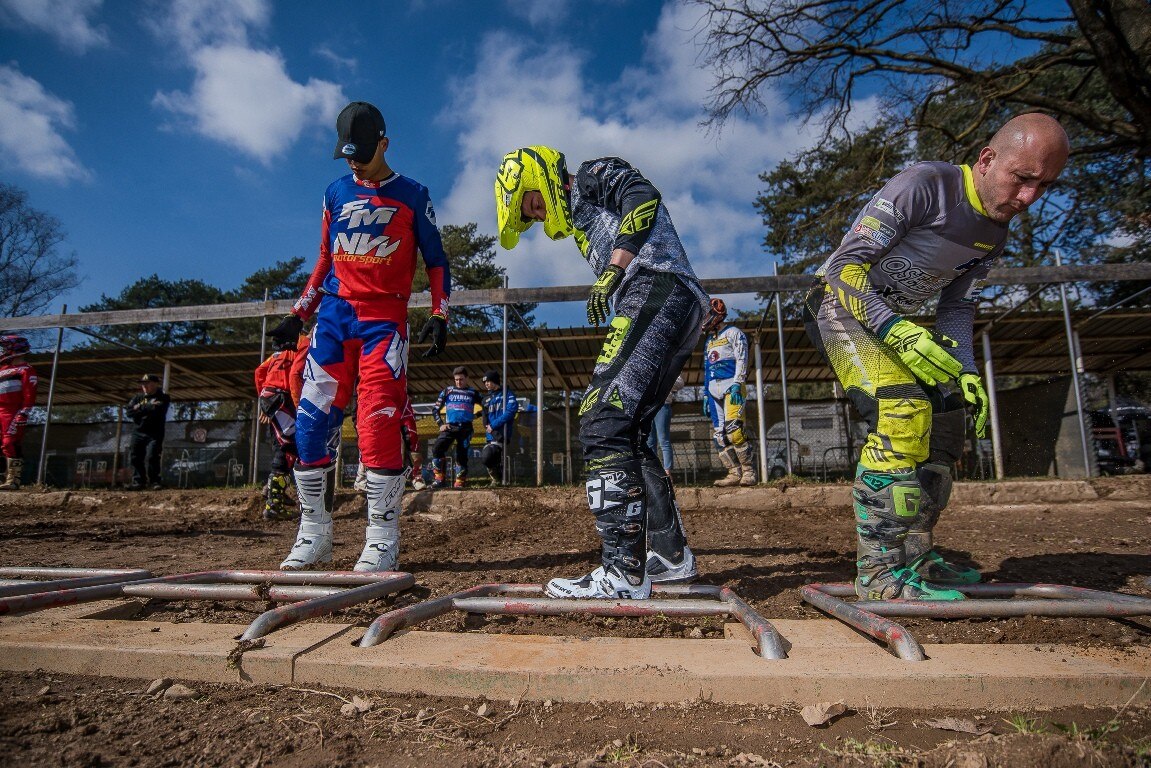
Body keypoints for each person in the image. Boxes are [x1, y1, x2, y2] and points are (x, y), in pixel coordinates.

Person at [803, 113, 1070, 600]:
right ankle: (879, 575)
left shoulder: (996, 233)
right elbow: (843, 267)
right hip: (837, 307)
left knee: (947, 420)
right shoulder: (925, 184)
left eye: (1045, 186)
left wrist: (966, 371)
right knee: (903, 412)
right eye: (1022, 178)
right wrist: (894, 328)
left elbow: (957, 307)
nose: (1029, 197)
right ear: (987, 159)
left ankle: (916, 558)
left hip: (891, 322)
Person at [495, 146, 705, 599]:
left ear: (542, 179)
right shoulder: (578, 222)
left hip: (657, 287)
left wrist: (613, 270)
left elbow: (643, 196)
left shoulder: (591, 175)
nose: (539, 217)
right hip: (669, 299)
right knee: (627, 432)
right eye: (531, 216)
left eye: (534, 203)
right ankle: (670, 556)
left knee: (601, 418)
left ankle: (623, 572)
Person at [268, 100, 450, 571]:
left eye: (363, 155)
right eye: (347, 155)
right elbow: (324, 258)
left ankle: (382, 540)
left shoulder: (413, 194)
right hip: (332, 319)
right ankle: (314, 536)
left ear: (384, 145)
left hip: (384, 323)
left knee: (376, 423)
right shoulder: (334, 192)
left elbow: (436, 260)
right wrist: (298, 314)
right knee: (310, 422)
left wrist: (440, 312)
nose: (354, 163)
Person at [702, 299, 757, 487]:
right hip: (713, 390)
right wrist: (705, 394)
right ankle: (734, 473)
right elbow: (707, 368)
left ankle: (749, 471)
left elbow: (742, 358)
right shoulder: (709, 341)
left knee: (734, 431)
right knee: (719, 436)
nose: (704, 319)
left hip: (731, 387)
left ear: (716, 315)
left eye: (707, 315)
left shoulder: (734, 333)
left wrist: (738, 382)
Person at [254, 334, 308, 520]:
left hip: (272, 397)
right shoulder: (304, 345)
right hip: (282, 397)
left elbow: (259, 371)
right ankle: (274, 503)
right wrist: (298, 404)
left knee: (283, 444)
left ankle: (275, 490)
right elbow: (295, 375)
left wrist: (264, 400)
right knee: (289, 445)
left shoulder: (278, 353)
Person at [430, 366, 483, 489]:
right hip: (450, 426)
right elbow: (435, 409)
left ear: (467, 378)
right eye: (456, 380)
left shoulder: (473, 392)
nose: (459, 382)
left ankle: (460, 482)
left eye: (461, 379)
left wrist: (477, 415)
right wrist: (440, 424)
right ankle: (439, 479)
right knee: (437, 448)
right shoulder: (447, 391)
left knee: (462, 454)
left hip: (466, 428)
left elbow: (486, 405)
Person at [0, 336, 37, 491]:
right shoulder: (2, 368)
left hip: (13, 412)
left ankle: (13, 480)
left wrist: (24, 412)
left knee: (9, 443)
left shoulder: (26, 369)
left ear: (15, 348)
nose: (3, 350)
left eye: (6, 347)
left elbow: (29, 394)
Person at [126, 374, 171, 490]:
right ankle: (138, 482)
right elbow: (129, 412)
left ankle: (154, 481)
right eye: (143, 384)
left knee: (153, 456)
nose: (144, 386)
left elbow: (157, 410)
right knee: (135, 456)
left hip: (155, 433)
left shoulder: (163, 397)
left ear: (155, 384)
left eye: (147, 383)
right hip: (138, 431)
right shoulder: (137, 398)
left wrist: (139, 408)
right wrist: (148, 406)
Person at [480, 369, 519, 485]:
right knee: (487, 457)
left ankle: (505, 479)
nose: (486, 384)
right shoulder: (485, 399)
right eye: (485, 382)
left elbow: (510, 412)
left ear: (495, 381)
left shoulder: (507, 394)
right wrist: (491, 429)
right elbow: (485, 419)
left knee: (500, 458)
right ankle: (496, 478)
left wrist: (494, 425)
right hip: (491, 436)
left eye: (488, 381)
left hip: (504, 434)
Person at [646, 374, 683, 474]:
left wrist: (665, 378)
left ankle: (667, 472)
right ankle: (653, 471)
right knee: (649, 441)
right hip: (647, 407)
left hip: (663, 405)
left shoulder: (669, 365)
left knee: (663, 440)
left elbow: (680, 383)